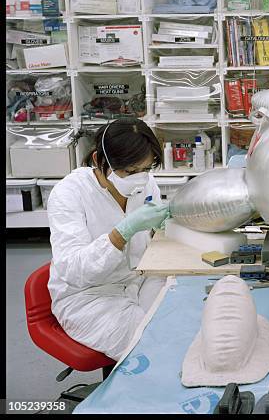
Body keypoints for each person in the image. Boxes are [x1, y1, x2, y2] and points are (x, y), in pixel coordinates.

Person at [47, 118, 169, 361]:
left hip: (139, 278)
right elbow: (73, 270)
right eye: (130, 171)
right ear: (98, 160)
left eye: (146, 169)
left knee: (184, 318)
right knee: (153, 343)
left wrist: (165, 227)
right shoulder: (68, 194)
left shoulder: (145, 183)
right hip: (89, 296)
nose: (140, 177)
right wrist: (121, 233)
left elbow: (152, 239)